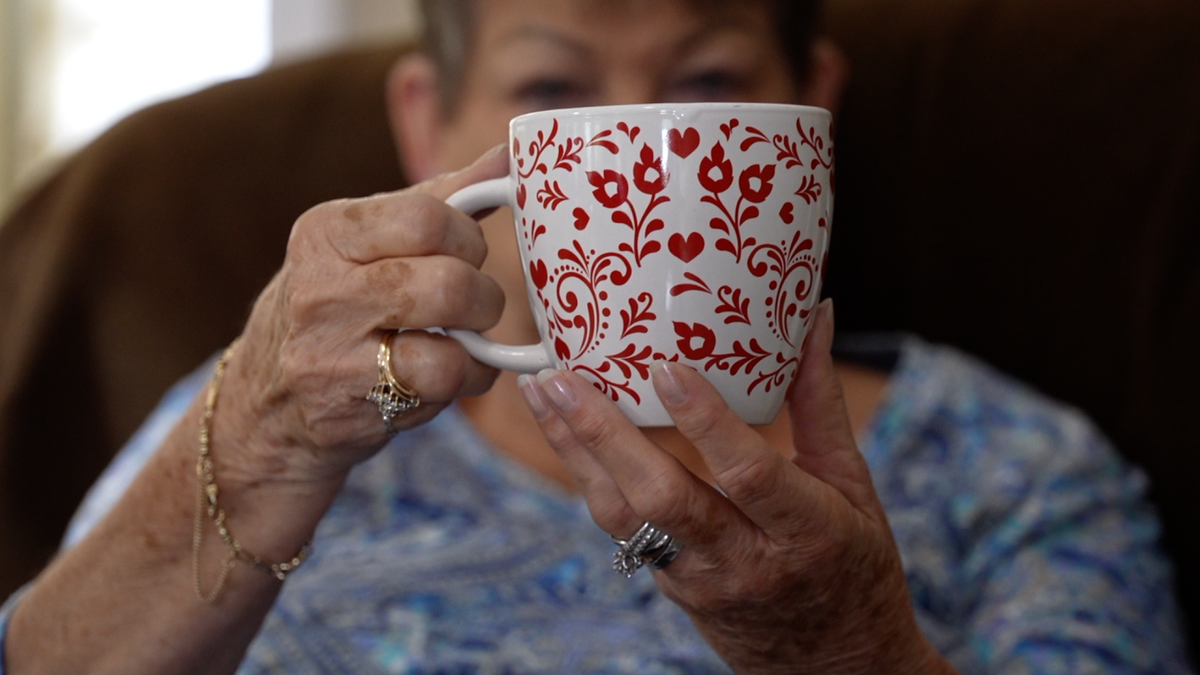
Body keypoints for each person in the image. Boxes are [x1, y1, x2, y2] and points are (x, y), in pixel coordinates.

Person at [0, 0, 1190, 672]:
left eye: (711, 79)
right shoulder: (275, 419)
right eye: (551, 90)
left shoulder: (1009, 469)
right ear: (429, 126)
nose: (643, 144)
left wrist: (845, 646)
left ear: (811, 114)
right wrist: (249, 457)